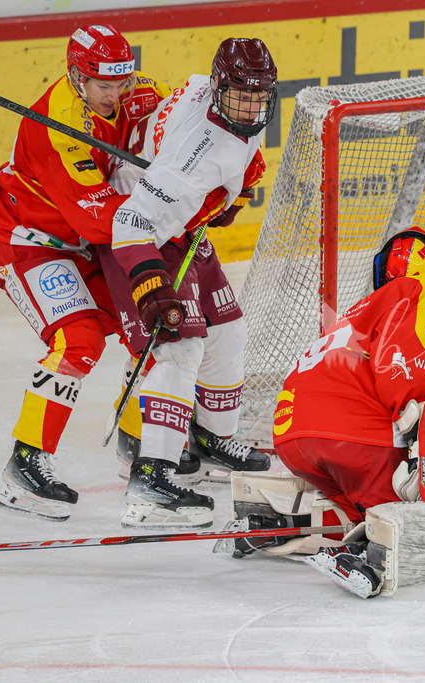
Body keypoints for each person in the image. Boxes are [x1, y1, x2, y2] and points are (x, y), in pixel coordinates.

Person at [0, 24, 170, 521]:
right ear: (76, 77)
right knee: (79, 340)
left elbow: (186, 117)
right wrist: (179, 208)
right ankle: (26, 463)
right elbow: (99, 218)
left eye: (121, 82)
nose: (115, 94)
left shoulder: (137, 91)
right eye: (103, 85)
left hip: (84, 242)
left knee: (148, 328)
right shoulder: (58, 127)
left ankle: (138, 443)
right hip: (30, 241)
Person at [250, 227, 425, 598]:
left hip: (292, 438)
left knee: (359, 508)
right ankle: (366, 558)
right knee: (398, 506)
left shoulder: (358, 311)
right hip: (350, 437)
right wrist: (419, 449)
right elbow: (404, 371)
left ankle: (285, 523)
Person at [104, 38, 277, 528]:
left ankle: (211, 437)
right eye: (241, 95)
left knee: (228, 331)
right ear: (220, 86)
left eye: (259, 96)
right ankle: (152, 477)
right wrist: (152, 286)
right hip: (144, 233)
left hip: (181, 223)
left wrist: (223, 199)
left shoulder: (205, 87)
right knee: (179, 347)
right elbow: (130, 224)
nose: (251, 107)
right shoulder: (196, 160)